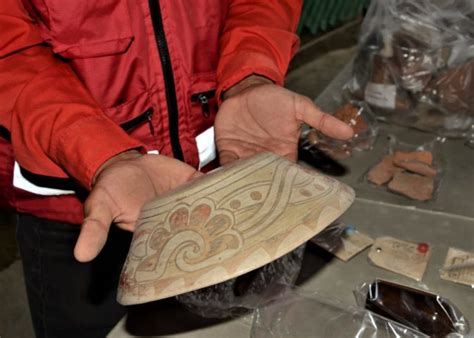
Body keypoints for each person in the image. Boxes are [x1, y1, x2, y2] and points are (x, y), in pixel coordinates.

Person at [0, 0, 353, 337]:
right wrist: (100, 154)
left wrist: (250, 75)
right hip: (77, 201)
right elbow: (9, 53)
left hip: (217, 173)